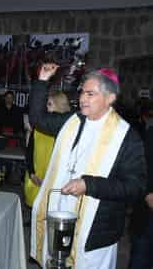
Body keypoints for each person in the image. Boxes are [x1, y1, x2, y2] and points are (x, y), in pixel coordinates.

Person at [29, 64, 146, 269]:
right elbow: (37, 119)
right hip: (59, 215)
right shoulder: (72, 122)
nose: (82, 98)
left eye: (90, 94)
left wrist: (89, 185)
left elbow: (135, 187)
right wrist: (42, 81)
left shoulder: (127, 137)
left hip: (95, 229)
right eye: (82, 92)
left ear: (110, 98)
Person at [24, 91, 70, 208]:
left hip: (54, 179)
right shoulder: (39, 125)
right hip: (35, 175)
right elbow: (29, 151)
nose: (46, 107)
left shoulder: (67, 129)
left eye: (49, 104)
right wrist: (32, 173)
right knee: (35, 205)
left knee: (51, 206)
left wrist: (50, 178)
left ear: (59, 105)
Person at [128, 125, 153, 269]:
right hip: (148, 210)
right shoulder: (151, 133)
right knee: (141, 257)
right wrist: (148, 193)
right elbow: (142, 166)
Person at [0, 91, 24, 182]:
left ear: (13, 99)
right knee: (1, 154)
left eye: (11, 97)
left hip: (13, 134)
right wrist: (1, 132)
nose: (9, 99)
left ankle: (8, 175)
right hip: (2, 133)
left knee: (10, 154)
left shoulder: (18, 109)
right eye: (7, 97)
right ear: (4, 98)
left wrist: (14, 132)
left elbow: (20, 123)